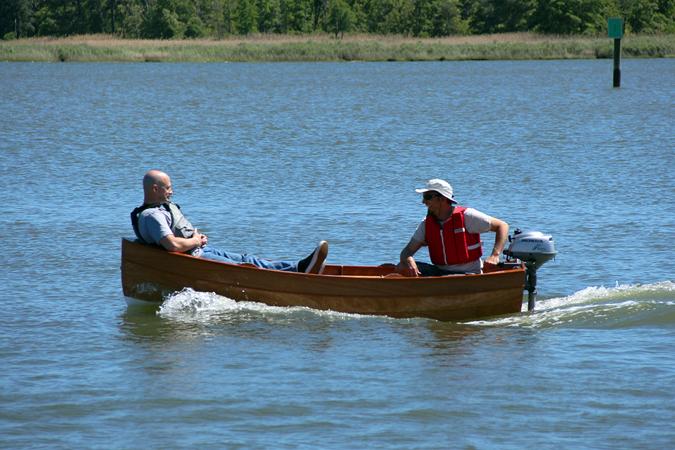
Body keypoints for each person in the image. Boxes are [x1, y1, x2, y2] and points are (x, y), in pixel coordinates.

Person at [131, 169, 328, 274]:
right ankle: (297, 279)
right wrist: (197, 241)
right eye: (168, 188)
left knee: (246, 259)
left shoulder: (159, 210)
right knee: (243, 269)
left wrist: (197, 239)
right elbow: (172, 245)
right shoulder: (152, 216)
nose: (171, 191)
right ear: (155, 189)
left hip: (200, 251)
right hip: (195, 259)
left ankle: (298, 268)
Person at [397, 178, 508, 277]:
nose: (423, 201)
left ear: (442, 199)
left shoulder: (467, 216)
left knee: (448, 278)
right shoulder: (426, 224)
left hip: (469, 274)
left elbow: (502, 226)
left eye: (427, 197)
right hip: (439, 272)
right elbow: (407, 250)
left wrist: (495, 255)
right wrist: (407, 258)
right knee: (402, 267)